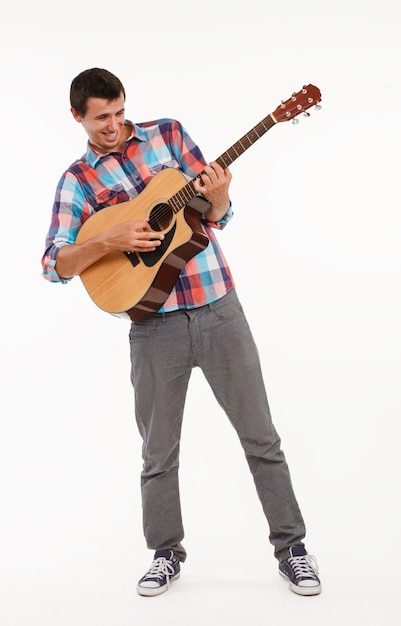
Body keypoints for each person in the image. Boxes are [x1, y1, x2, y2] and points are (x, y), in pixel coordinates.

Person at [41, 67, 321, 598]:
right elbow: (55, 263)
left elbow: (217, 215)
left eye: (120, 112)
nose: (114, 125)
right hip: (152, 327)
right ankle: (166, 552)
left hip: (219, 308)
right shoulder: (77, 182)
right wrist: (110, 239)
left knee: (261, 436)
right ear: (77, 116)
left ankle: (293, 549)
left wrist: (220, 194)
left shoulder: (167, 135)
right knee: (158, 450)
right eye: (101, 117)